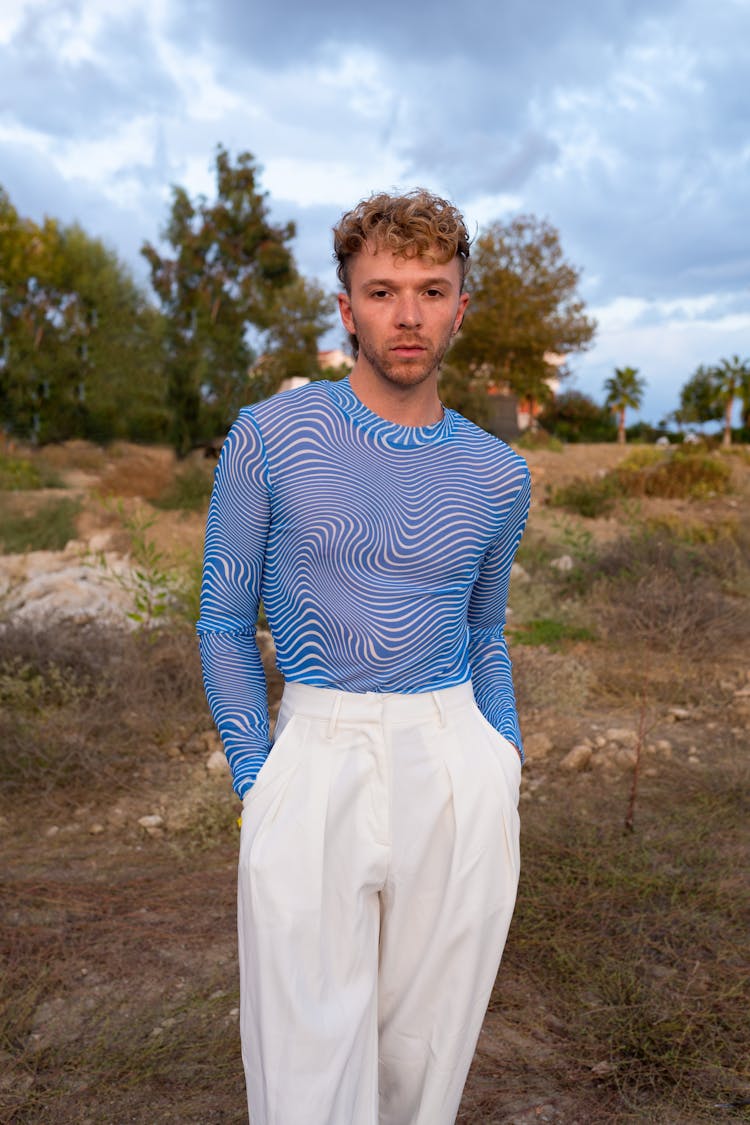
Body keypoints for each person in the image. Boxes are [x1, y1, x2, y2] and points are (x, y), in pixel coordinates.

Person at [197, 189, 531, 1125]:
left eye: (433, 289)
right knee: (305, 1065)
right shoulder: (267, 438)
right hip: (314, 751)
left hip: (454, 754)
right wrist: (260, 783)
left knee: (424, 1060)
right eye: (383, 290)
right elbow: (222, 620)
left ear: (462, 304)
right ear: (346, 307)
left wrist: (502, 759)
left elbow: (484, 628)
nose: (410, 313)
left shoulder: (500, 473)